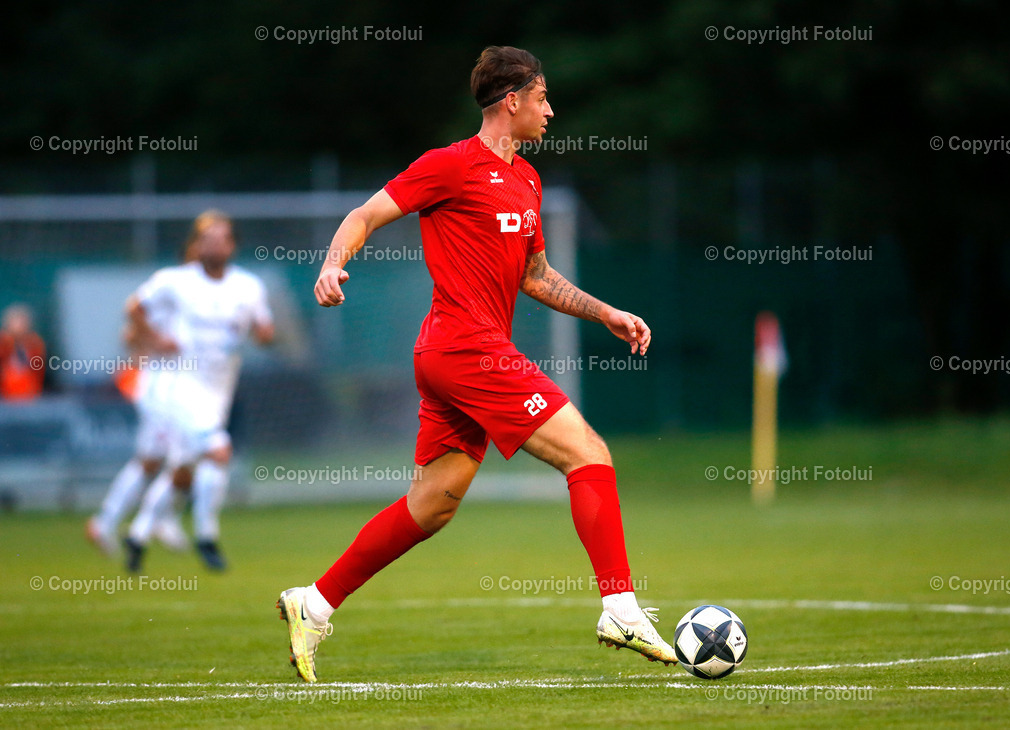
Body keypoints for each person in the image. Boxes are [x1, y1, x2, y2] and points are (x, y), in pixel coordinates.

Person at [276, 46, 676, 683]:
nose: (551, 111)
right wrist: (332, 263)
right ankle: (620, 608)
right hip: (467, 348)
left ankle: (314, 603)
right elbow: (365, 214)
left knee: (433, 504)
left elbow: (536, 277)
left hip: (454, 355)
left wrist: (605, 313)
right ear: (512, 100)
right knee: (590, 455)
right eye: (543, 98)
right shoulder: (450, 166)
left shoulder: (527, 179)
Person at [123, 210, 274, 572]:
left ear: (232, 245)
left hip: (219, 390)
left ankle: (138, 534)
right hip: (182, 386)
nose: (213, 244)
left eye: (221, 238)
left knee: (184, 469)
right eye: (206, 238)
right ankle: (207, 536)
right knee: (219, 451)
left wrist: (263, 334)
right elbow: (135, 308)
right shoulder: (175, 280)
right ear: (196, 244)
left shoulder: (248, 287)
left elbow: (265, 331)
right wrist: (156, 338)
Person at [86, 240, 202, 557]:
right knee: (186, 454)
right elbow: (130, 329)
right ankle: (157, 520)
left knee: (154, 460)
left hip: (184, 387)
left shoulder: (204, 293)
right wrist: (156, 341)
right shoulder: (170, 285)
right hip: (162, 388)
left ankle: (109, 522)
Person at [0, 304, 46, 401]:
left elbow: (38, 368)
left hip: (30, 394)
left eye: (22, 322)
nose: (19, 326)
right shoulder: (3, 342)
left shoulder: (34, 343)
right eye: (15, 322)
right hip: (5, 395)